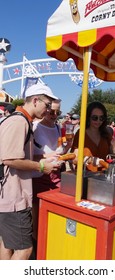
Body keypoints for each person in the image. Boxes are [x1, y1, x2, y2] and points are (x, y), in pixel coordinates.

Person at [0, 83, 60, 260]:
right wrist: (41, 166)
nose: (48, 110)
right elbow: (10, 159)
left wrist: (42, 160)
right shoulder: (19, 121)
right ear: (35, 100)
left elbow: (17, 156)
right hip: (14, 197)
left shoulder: (21, 120)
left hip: (10, 195)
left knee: (7, 244)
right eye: (47, 105)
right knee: (24, 250)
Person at [32, 99, 70, 253]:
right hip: (38, 176)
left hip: (56, 175)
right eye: (51, 111)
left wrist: (66, 149)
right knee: (38, 220)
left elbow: (59, 151)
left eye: (57, 112)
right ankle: (38, 253)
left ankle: (51, 249)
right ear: (45, 108)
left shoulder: (58, 127)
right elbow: (27, 155)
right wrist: (46, 156)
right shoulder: (34, 127)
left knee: (55, 215)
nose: (54, 115)